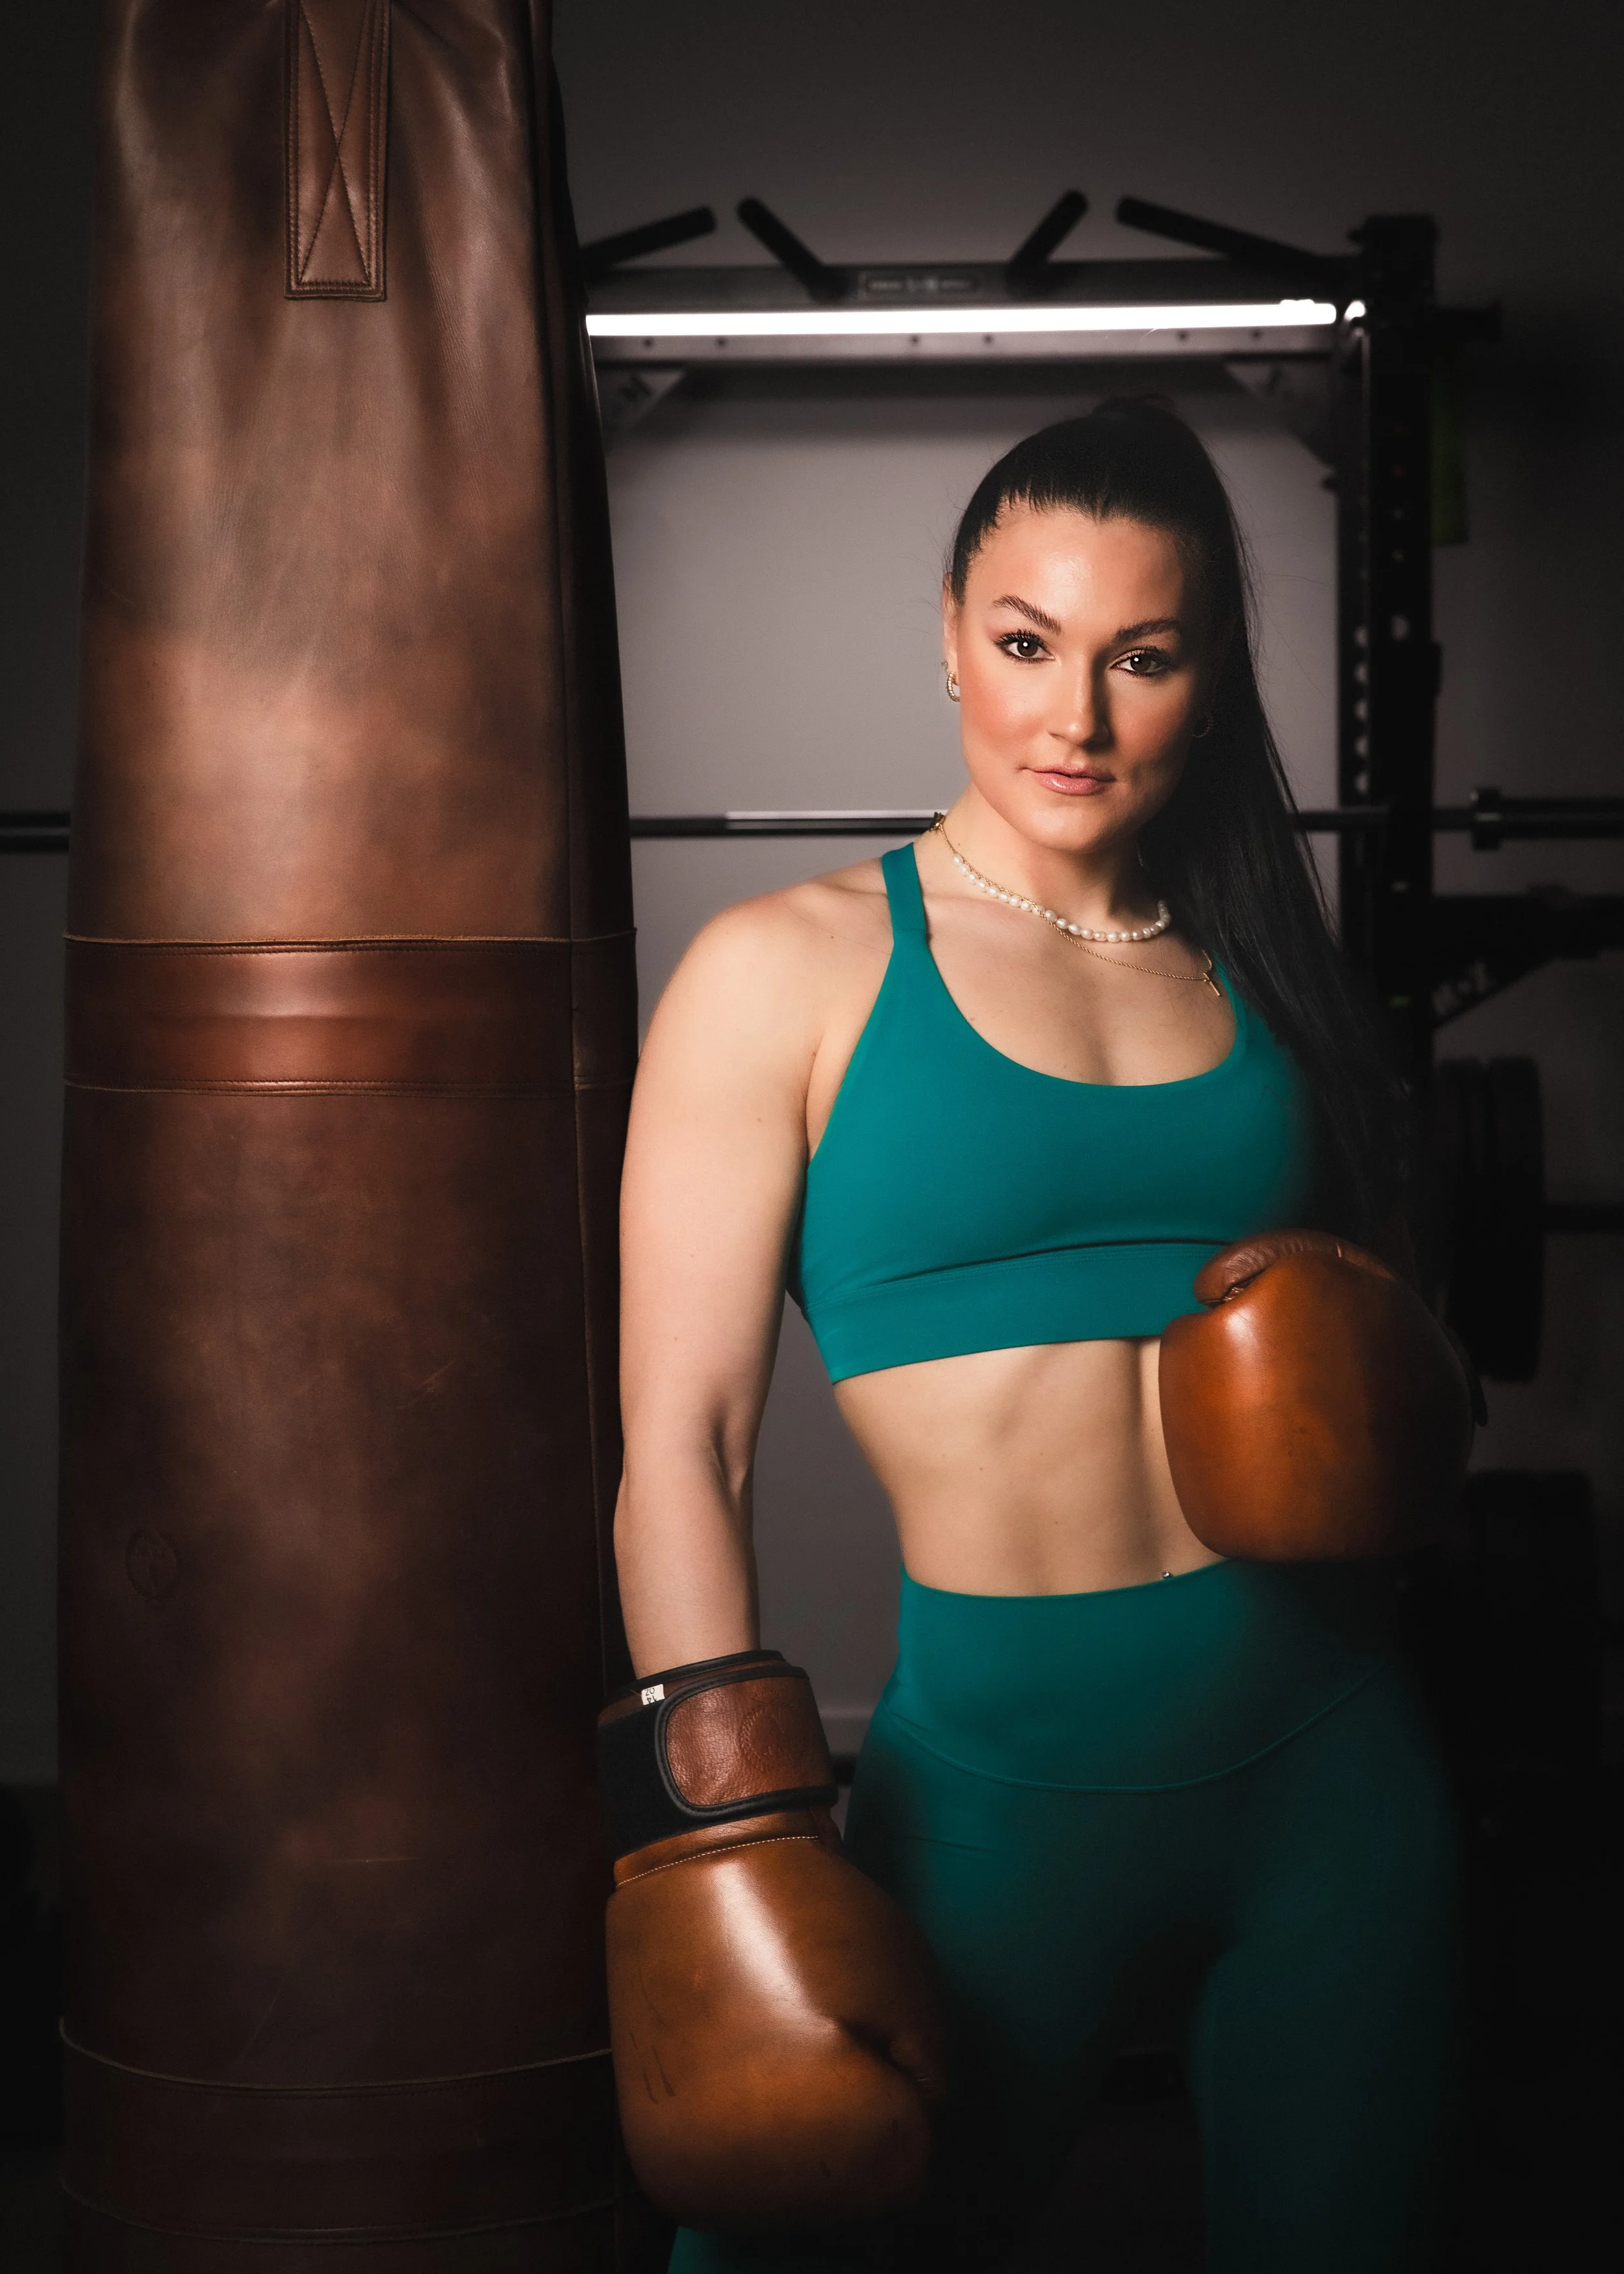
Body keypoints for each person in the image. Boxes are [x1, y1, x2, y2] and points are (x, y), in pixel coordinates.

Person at [613, 401, 1461, 2271]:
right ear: (945, 632)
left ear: (1207, 671)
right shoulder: (788, 969)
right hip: (996, 1798)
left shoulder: (1264, 971)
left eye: (1139, 657)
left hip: (1330, 1770)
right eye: (1024, 643)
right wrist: (740, 1845)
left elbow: (1413, 1387)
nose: (1072, 716)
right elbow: (684, 1445)